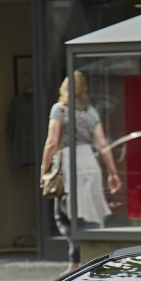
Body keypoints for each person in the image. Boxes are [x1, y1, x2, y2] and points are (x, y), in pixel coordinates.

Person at [40, 73, 120, 268]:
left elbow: (51, 142)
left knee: (63, 213)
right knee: (89, 213)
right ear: (84, 89)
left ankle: (74, 261)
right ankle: (90, 259)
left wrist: (44, 169)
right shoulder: (91, 112)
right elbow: (102, 144)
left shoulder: (60, 110)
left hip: (68, 163)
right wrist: (112, 172)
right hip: (89, 162)